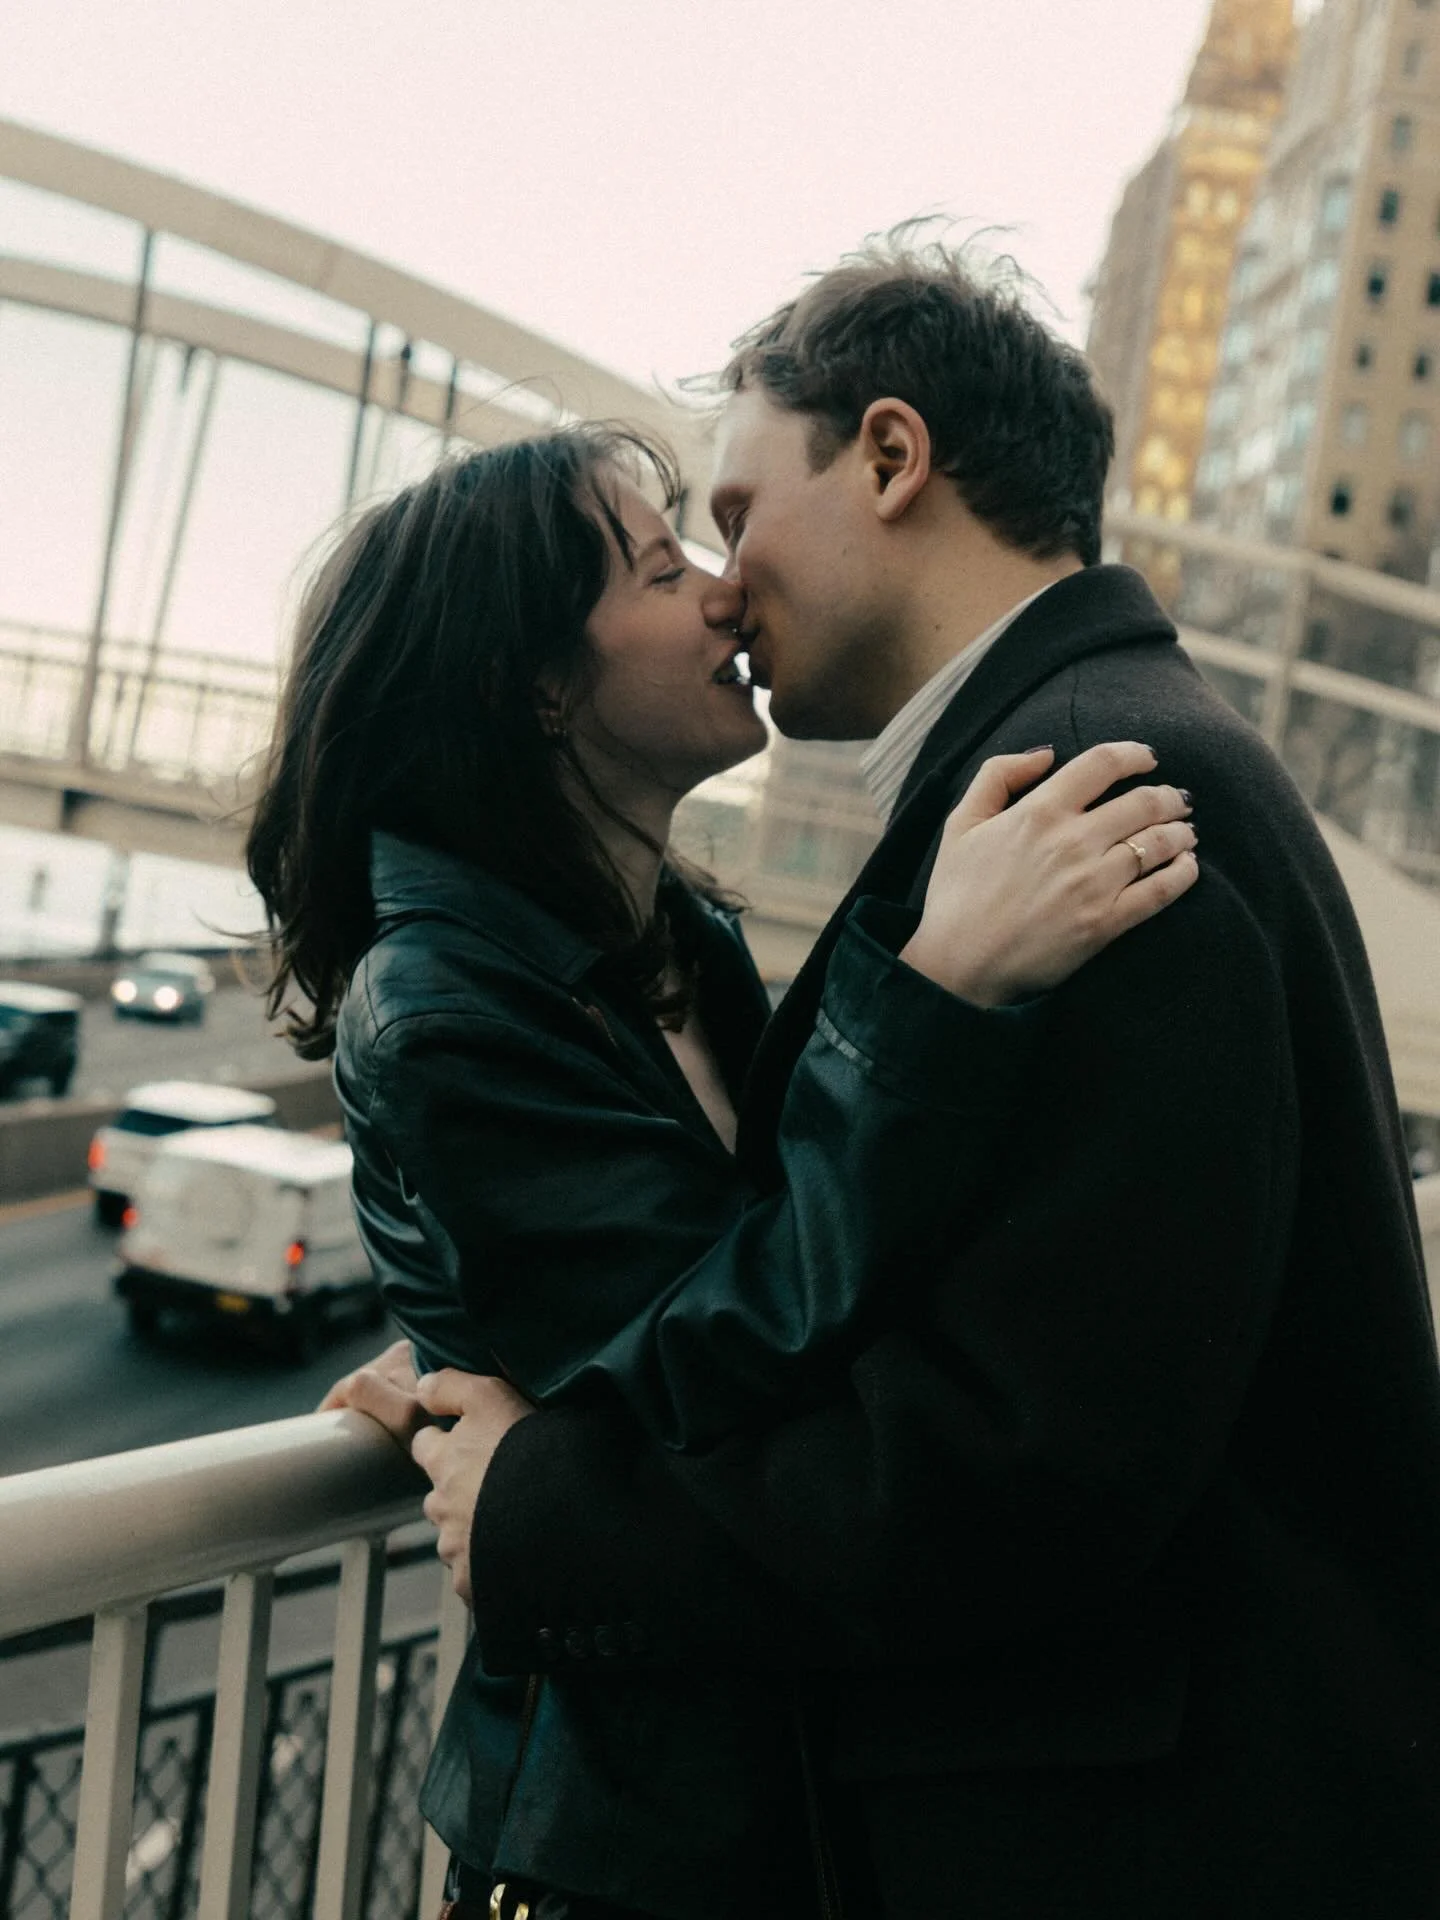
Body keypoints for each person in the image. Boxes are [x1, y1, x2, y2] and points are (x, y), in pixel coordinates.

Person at [358, 236, 1440, 1920]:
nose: (724, 582)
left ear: (886, 457)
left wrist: (547, 1517)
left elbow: (1018, 1464)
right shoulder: (1076, 765)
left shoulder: (1094, 806)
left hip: (1128, 1849)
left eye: (732, 511)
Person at [252, 420, 1197, 1920]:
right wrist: (937, 989)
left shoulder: (666, 940)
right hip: (628, 1839)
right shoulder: (442, 1008)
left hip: (776, 1771)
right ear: (537, 685)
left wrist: (501, 1351)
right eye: (658, 563)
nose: (723, 589)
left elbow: (713, 1286)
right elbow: (716, 1349)